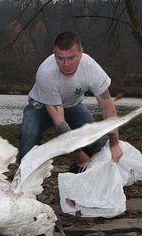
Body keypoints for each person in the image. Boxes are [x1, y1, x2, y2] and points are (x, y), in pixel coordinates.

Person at [18, 31, 122, 173]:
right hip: (40, 106)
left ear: (81, 52)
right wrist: (81, 157)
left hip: (72, 106)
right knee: (28, 135)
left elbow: (107, 107)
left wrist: (114, 143)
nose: (66, 64)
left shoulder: (91, 68)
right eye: (60, 58)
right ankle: (24, 175)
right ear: (54, 54)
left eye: (71, 58)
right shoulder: (45, 72)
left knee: (95, 142)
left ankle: (80, 171)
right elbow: (60, 123)